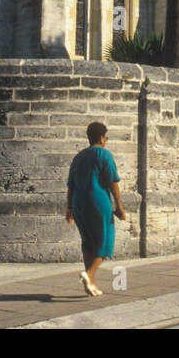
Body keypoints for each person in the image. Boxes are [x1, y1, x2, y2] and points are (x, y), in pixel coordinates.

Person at [65, 121, 125, 296]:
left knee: (88, 242)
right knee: (105, 241)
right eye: (106, 137)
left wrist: (69, 209)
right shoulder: (104, 155)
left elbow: (71, 185)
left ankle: (90, 282)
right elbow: (113, 182)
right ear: (101, 137)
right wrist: (120, 207)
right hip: (98, 202)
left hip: (78, 203)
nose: (106, 140)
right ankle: (89, 273)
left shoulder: (78, 157)